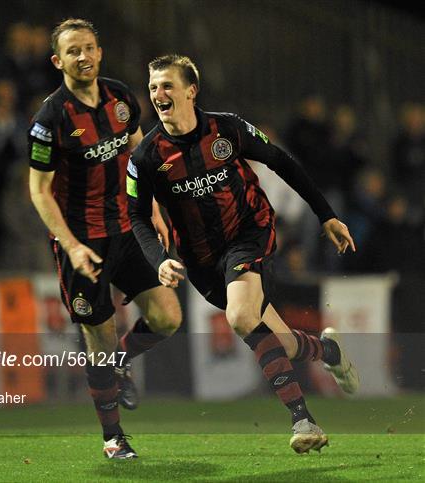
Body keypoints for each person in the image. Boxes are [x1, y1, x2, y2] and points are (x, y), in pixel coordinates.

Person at [127, 54, 359, 454]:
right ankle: (328, 351)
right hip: (201, 261)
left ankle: (302, 419)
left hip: (249, 234)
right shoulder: (146, 157)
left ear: (190, 91)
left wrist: (326, 215)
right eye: (152, 87)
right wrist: (159, 258)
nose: (158, 94)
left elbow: (282, 162)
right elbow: (136, 216)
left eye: (167, 85)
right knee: (279, 341)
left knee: (240, 316)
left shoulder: (227, 129)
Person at [27, 19, 182, 459]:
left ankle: (118, 366)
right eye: (74, 51)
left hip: (127, 228)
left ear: (100, 52)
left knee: (168, 317)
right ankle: (114, 439)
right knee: (101, 334)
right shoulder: (49, 120)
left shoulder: (120, 97)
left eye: (90, 48)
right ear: (58, 61)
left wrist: (151, 206)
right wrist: (72, 246)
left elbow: (140, 153)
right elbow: (39, 191)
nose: (85, 56)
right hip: (83, 242)